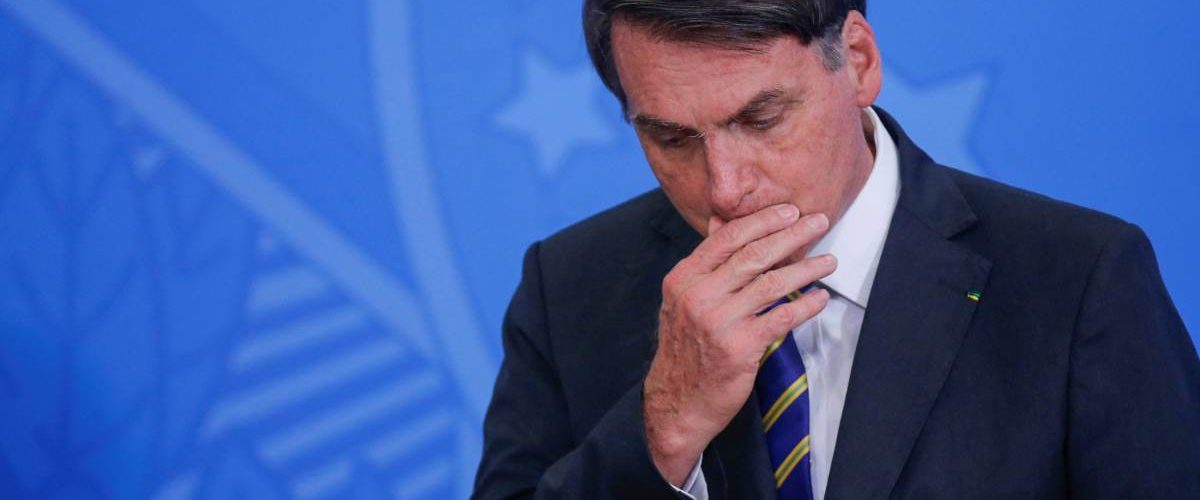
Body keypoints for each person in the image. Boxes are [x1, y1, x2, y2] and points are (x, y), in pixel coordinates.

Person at [473, 1, 1200, 498]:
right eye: (671, 138)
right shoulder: (567, 286)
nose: (725, 187)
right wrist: (661, 432)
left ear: (857, 59)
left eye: (761, 118)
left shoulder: (1078, 279)